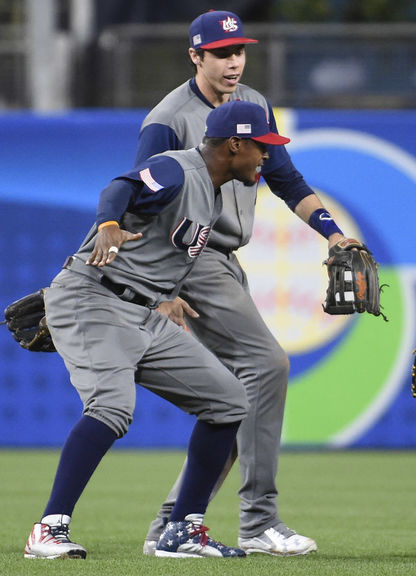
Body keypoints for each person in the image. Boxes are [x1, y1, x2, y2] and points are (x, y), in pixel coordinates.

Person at [23, 100, 286, 560]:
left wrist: (167, 293)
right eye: (261, 148)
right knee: (112, 407)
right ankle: (49, 528)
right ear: (235, 144)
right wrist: (107, 224)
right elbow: (120, 187)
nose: (267, 157)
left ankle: (182, 530)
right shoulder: (178, 168)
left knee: (227, 401)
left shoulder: (214, 189)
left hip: (146, 312)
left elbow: (166, 248)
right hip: (96, 298)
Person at [137, 10, 352, 556]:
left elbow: (284, 177)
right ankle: (258, 522)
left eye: (239, 51)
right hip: (190, 256)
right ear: (196, 57)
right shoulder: (167, 118)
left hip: (228, 258)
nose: (233, 61)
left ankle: (172, 524)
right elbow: (141, 201)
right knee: (267, 366)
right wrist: (165, 286)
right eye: (221, 52)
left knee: (232, 399)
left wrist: (332, 234)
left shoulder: (253, 105)